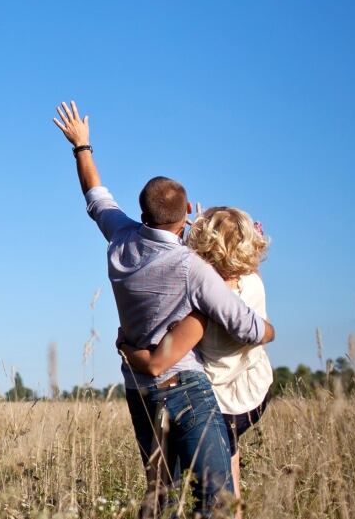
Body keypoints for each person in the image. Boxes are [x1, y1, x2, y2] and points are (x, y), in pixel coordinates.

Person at [52, 101, 275, 518]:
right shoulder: (193, 268)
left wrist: (82, 146)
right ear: (187, 213)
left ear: (141, 213)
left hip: (139, 389)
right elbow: (244, 326)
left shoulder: (119, 238)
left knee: (159, 496)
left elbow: (95, 196)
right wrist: (269, 331)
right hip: (187, 389)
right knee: (218, 501)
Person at [120, 206, 273, 518]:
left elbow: (157, 363)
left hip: (219, 402)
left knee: (210, 492)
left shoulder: (203, 304)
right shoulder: (252, 282)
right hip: (255, 392)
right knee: (228, 478)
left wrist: (126, 347)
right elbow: (232, 256)